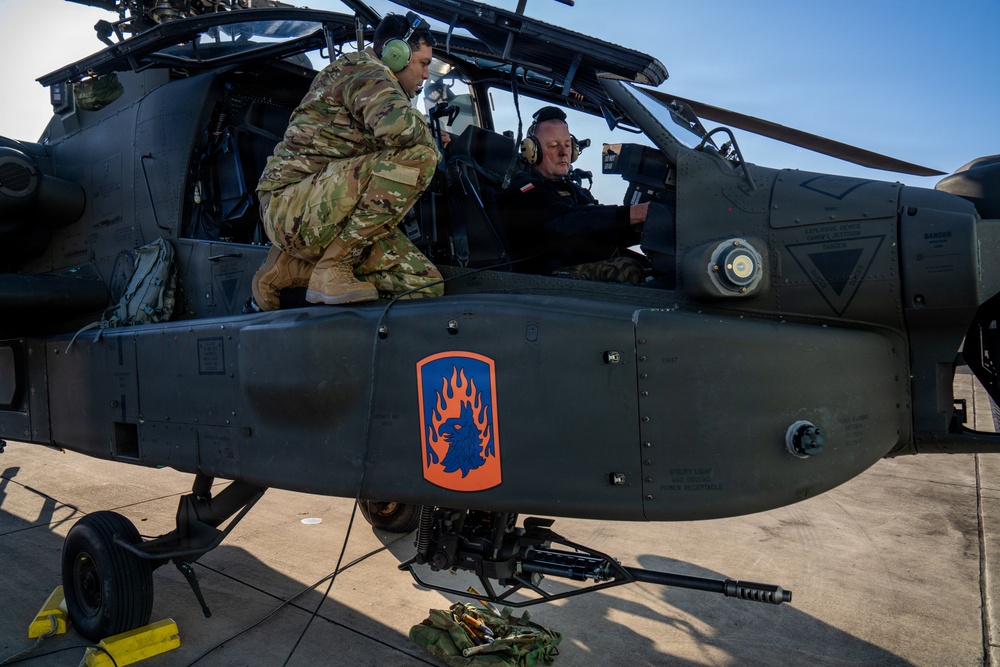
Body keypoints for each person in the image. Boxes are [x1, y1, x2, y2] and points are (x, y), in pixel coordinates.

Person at [250, 12, 445, 310]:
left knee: (424, 283)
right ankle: (332, 268)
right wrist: (434, 140)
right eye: (423, 63)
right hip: (289, 204)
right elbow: (400, 128)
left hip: (324, 207)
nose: (426, 75)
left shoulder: (377, 81)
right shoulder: (362, 70)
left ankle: (293, 269)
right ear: (396, 55)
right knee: (421, 158)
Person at [498, 106, 650, 284]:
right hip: (542, 277)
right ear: (532, 152)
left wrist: (648, 222)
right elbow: (567, 223)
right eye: (553, 146)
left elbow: (602, 227)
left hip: (576, 264)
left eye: (568, 145)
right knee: (626, 269)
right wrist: (634, 213)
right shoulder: (525, 190)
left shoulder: (572, 189)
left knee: (653, 266)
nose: (564, 152)